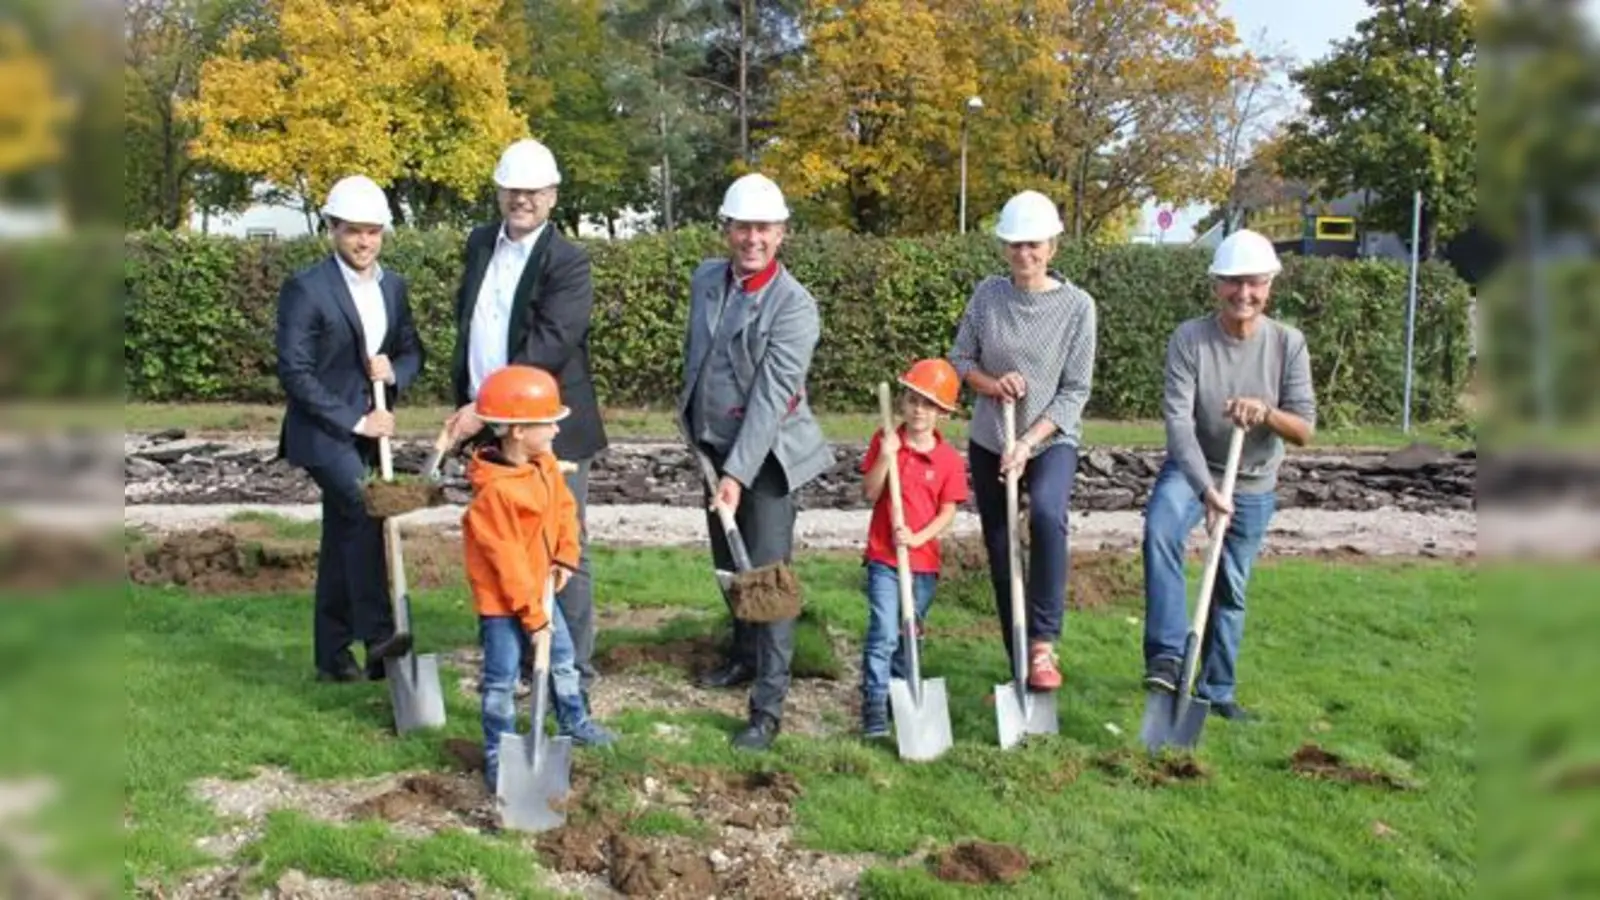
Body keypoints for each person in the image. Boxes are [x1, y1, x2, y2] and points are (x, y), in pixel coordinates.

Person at [676, 172, 835, 751]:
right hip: (713, 448)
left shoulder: (796, 308)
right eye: (743, 227)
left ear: (782, 233)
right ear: (727, 229)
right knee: (730, 567)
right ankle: (742, 658)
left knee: (767, 579)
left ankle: (767, 708)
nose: (752, 238)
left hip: (768, 461)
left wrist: (738, 477)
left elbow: (771, 399)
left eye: (764, 228)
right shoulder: (706, 281)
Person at [445, 138, 608, 700]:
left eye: (534, 191)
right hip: (488, 424)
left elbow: (552, 341)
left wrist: (485, 407)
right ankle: (513, 662)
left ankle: (570, 674)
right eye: (513, 189)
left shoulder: (568, 262)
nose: (522, 199)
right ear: (499, 192)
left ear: (552, 196)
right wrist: (470, 404)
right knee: (499, 546)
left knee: (563, 545)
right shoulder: (478, 244)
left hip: (547, 426)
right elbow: (472, 323)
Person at [1140, 229, 1316, 721]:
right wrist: (1207, 490)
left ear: (1270, 286)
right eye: (1234, 283)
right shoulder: (1190, 339)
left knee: (1230, 585)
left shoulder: (1288, 344)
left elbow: (1303, 429)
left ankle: (1216, 691)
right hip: (1194, 468)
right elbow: (1177, 424)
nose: (1245, 294)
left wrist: (1265, 413)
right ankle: (1169, 658)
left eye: (1255, 283)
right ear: (1217, 285)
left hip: (1254, 478)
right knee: (1160, 530)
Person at [275, 174, 425, 683]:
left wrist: (395, 372)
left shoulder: (393, 286)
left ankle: (333, 657)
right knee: (366, 510)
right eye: (353, 231)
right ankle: (382, 637)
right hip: (323, 433)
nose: (364, 242)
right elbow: (295, 371)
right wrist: (356, 418)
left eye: (373, 232)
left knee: (342, 534)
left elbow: (411, 351)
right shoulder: (308, 289)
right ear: (332, 229)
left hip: (369, 433)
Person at [948, 189, 1097, 693]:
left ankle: (1043, 644)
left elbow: (1075, 390)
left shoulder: (1078, 308)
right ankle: (1018, 650)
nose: (1025, 255)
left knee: (1049, 515)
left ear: (1053, 246)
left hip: (1050, 438)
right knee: (999, 541)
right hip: (993, 436)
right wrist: (993, 385)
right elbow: (960, 360)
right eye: (1015, 245)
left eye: (1034, 245)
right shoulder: (988, 295)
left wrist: (1029, 443)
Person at [464, 365, 617, 792]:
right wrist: (534, 619)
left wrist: (566, 557)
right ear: (516, 432)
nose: (554, 430)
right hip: (505, 604)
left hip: (542, 594)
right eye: (547, 422)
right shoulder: (495, 494)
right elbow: (509, 566)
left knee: (563, 659)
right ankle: (499, 753)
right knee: (501, 678)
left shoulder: (545, 464)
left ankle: (574, 719)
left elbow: (565, 511)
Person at [856, 359, 969, 738]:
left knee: (909, 636)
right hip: (885, 559)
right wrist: (887, 457)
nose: (919, 410)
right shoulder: (885, 441)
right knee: (885, 632)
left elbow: (948, 512)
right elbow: (870, 492)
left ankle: (899, 699)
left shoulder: (949, 460)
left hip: (922, 564)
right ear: (902, 402)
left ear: (943, 413)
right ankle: (873, 705)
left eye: (929, 404)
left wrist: (918, 538)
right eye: (913, 400)